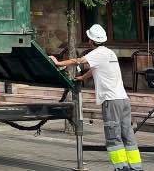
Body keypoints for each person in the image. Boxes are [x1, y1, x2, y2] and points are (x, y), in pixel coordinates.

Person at [51, 24, 142, 171]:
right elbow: (95, 69)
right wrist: (82, 77)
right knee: (127, 133)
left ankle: (121, 168)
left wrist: (58, 63)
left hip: (111, 101)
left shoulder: (97, 53)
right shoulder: (109, 53)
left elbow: (79, 61)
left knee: (113, 135)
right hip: (123, 100)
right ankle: (136, 167)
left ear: (91, 41)